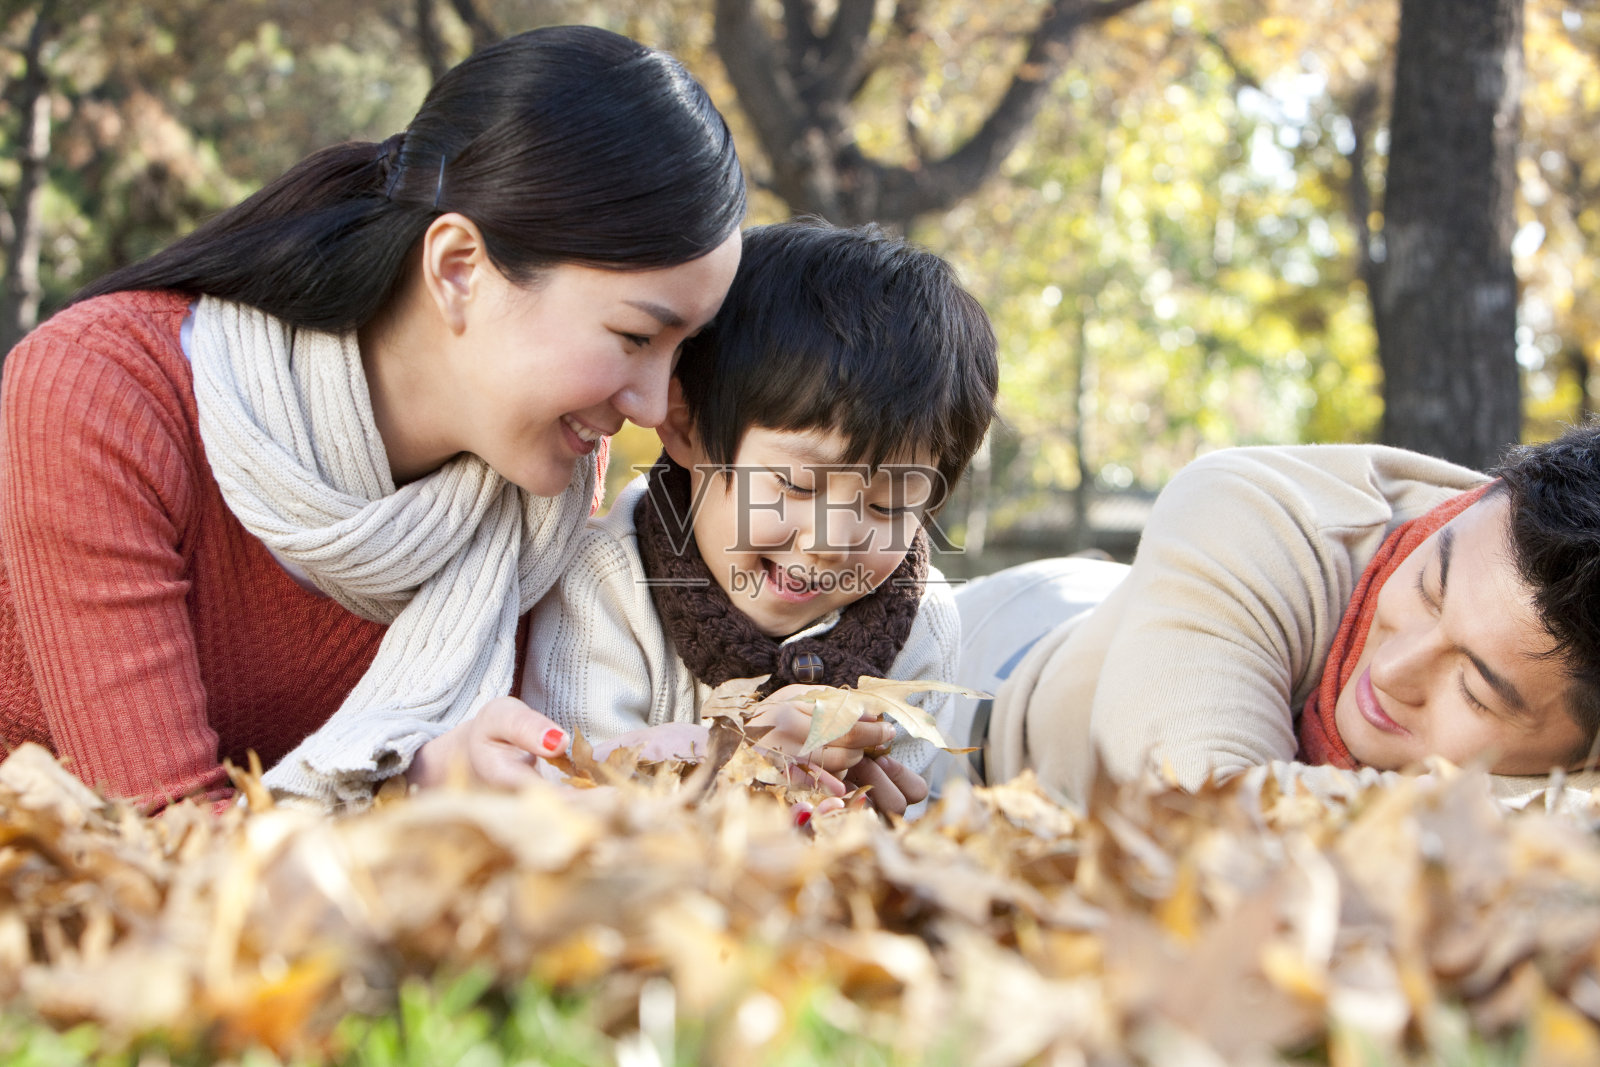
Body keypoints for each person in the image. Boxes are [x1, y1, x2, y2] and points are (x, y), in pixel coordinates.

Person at [0, 26, 746, 812]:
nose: (654, 404)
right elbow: (162, 835)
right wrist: (407, 787)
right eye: (634, 337)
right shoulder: (105, 395)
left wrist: (727, 759)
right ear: (459, 268)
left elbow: (518, 782)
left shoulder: (540, 489)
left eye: (680, 351)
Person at [521, 219, 999, 816]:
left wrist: (871, 826)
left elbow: (905, 815)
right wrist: (741, 769)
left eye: (888, 505)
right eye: (797, 484)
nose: (831, 543)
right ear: (686, 428)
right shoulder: (606, 584)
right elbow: (573, 799)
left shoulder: (918, 622)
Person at [963, 426, 1600, 806]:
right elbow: (1214, 825)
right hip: (980, 674)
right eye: (1430, 587)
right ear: (1477, 498)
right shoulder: (1247, 509)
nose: (1395, 670)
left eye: (1476, 691)